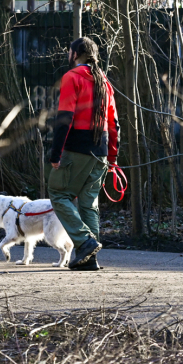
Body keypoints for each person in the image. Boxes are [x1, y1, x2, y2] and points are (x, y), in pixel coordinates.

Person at [48, 37, 119, 271]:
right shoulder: (104, 81)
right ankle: (90, 260)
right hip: (101, 150)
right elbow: (114, 123)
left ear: (76, 53)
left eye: (69, 51)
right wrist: (112, 157)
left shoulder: (72, 77)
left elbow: (65, 118)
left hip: (77, 148)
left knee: (58, 193)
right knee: (89, 205)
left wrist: (56, 153)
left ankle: (85, 242)